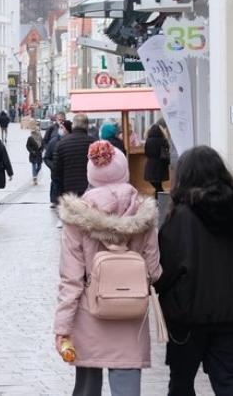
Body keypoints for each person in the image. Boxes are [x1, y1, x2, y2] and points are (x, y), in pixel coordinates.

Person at [54, 141, 161, 396]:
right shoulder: (144, 215)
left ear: (92, 175)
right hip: (131, 314)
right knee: (127, 386)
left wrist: (62, 328)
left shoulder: (76, 218)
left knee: (87, 385)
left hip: (89, 312)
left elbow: (71, 280)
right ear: (124, 171)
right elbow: (154, 270)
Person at [155, 146, 233, 396]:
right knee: (228, 377)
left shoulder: (181, 217)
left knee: (181, 381)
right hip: (231, 314)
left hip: (188, 315)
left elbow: (166, 269)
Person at [51, 113, 98, 202]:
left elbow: (56, 171)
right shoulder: (94, 143)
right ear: (87, 126)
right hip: (90, 190)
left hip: (69, 191)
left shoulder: (61, 144)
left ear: (73, 125)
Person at [143, 121, 171, 195]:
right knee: (159, 183)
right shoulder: (164, 140)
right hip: (161, 164)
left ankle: (159, 195)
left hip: (151, 164)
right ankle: (160, 195)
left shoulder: (148, 141)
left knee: (154, 182)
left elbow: (146, 153)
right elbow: (167, 150)